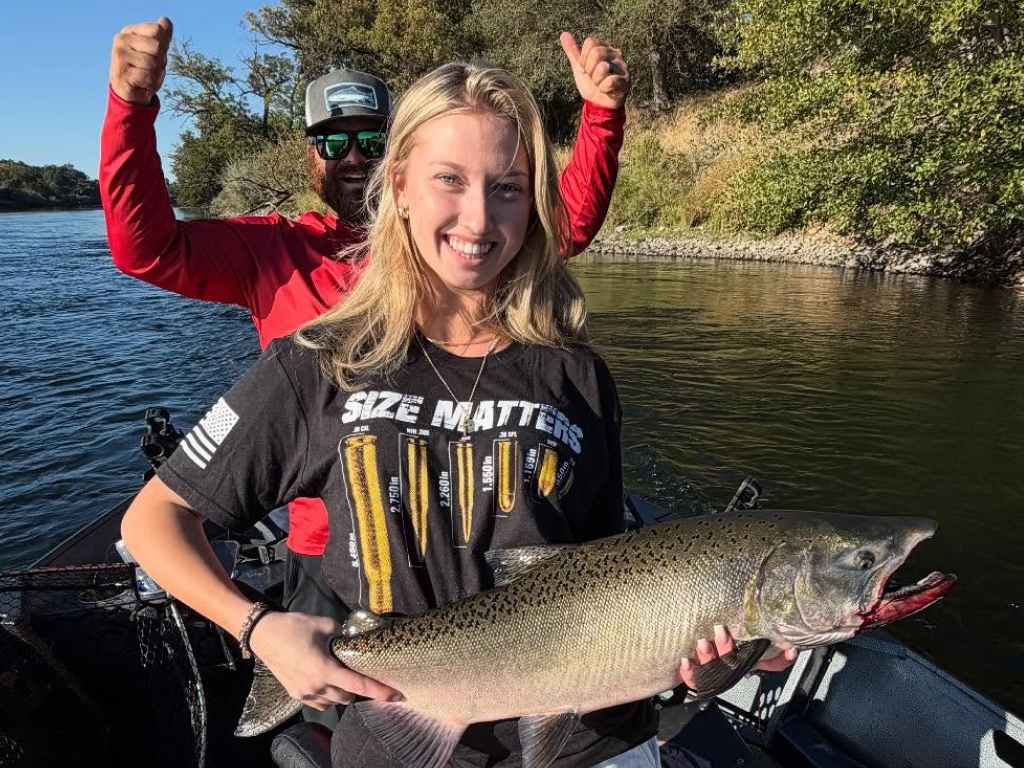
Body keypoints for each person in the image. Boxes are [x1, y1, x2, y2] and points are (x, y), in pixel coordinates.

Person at [120, 59, 670, 767]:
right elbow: (152, 520)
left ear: (532, 202)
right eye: (450, 180)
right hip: (396, 730)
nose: (478, 217)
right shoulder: (316, 361)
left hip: (588, 738)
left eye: (507, 188)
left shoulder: (577, 372)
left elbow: (604, 566)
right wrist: (257, 626)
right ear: (400, 187)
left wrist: (716, 634)